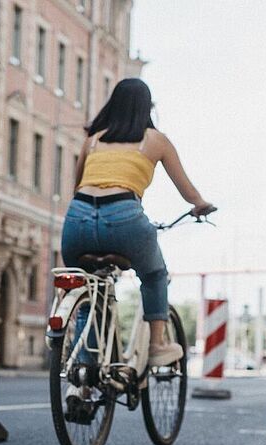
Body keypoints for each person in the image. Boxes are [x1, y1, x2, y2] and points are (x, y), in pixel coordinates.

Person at [61, 78, 215, 367]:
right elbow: (188, 192)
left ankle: (82, 371)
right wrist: (201, 206)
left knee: (86, 285)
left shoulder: (93, 140)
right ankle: (157, 346)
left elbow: (77, 186)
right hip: (123, 219)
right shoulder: (155, 140)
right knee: (155, 275)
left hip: (77, 218)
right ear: (147, 107)